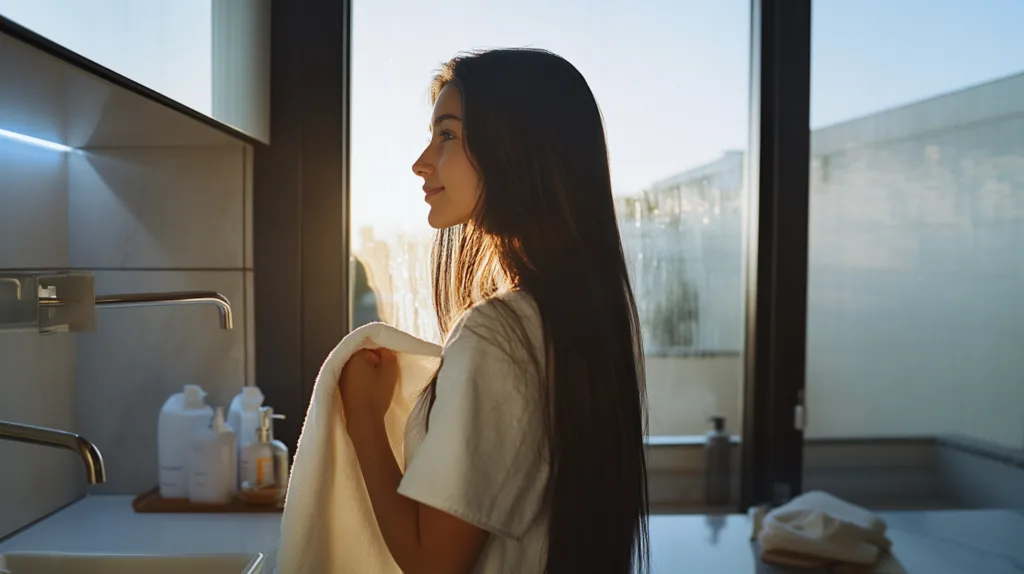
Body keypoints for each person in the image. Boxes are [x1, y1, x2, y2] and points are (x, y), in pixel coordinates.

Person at [339, 48, 650, 574]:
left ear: (518, 150)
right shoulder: (587, 314)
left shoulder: (498, 334)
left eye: (447, 135)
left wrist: (364, 416)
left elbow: (433, 565)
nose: (421, 162)